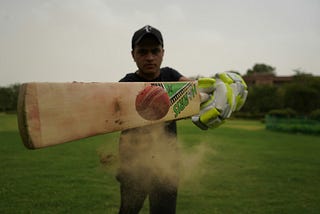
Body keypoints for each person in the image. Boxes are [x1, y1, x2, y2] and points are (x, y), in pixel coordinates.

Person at [117, 25, 247, 214]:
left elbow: (193, 91)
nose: (150, 57)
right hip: (134, 165)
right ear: (133, 54)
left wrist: (218, 94)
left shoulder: (170, 75)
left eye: (155, 51)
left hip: (167, 163)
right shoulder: (126, 83)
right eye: (143, 52)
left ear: (163, 52)